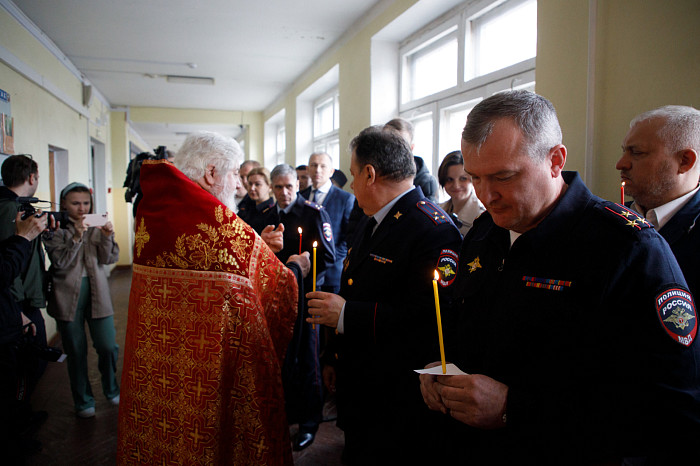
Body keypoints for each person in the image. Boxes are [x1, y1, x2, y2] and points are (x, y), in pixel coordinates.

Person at [419, 90, 700, 464]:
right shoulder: (485, 231)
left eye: (503, 176)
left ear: (555, 160)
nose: (486, 195)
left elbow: (671, 408)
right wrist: (438, 367)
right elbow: (458, 317)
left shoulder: (629, 249)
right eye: (475, 178)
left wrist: (512, 408)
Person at [117, 131, 309, 466]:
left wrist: (257, 245)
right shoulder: (223, 230)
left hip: (161, 370)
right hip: (207, 377)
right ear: (210, 173)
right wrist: (296, 267)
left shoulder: (152, 213)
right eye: (235, 173)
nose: (238, 185)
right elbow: (277, 289)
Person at [307, 126, 462, 464]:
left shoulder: (432, 229)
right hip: (359, 379)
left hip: (395, 392)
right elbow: (354, 283)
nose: (349, 186)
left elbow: (431, 318)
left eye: (351, 175)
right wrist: (335, 356)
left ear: (370, 173)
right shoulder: (369, 218)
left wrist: (347, 316)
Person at [259, 163, 335, 451]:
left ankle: (309, 421)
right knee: (280, 358)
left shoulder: (313, 213)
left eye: (289, 186)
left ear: (298, 185)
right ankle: (286, 414)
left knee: (308, 360)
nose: (284, 192)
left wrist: (306, 267)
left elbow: (328, 257)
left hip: (306, 298)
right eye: (278, 187)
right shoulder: (266, 214)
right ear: (272, 187)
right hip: (274, 298)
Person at [44, 182, 120, 418]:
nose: (81, 208)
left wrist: (107, 235)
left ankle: (111, 388)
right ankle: (83, 400)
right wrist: (76, 237)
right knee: (75, 350)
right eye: (75, 203)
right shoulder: (54, 229)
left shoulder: (96, 226)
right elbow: (60, 263)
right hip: (65, 295)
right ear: (63, 204)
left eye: (86, 203)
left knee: (108, 346)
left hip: (98, 291)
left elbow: (108, 259)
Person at [617, 105, 700, 297]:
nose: (620, 164)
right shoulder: (611, 220)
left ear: (684, 161)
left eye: (636, 153)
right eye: (624, 152)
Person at [0, 154, 50, 424]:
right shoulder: (12, 211)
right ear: (32, 178)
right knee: (28, 366)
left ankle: (21, 417)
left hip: (15, 303)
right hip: (17, 306)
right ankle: (18, 425)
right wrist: (18, 310)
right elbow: (9, 262)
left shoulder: (14, 207)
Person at [0, 210, 51, 462]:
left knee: (17, 384)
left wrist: (16, 314)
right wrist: (22, 238)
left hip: (10, 317)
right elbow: (3, 273)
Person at [300, 152, 355, 293]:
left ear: (331, 171)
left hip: (332, 273)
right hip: (305, 271)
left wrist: (332, 258)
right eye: (313, 165)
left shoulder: (345, 199)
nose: (317, 170)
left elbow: (349, 236)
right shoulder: (301, 197)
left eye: (323, 166)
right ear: (307, 169)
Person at [384, 117, 439, 201]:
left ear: (411, 148)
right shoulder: (372, 175)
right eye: (389, 144)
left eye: (401, 144)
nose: (394, 150)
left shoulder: (426, 182)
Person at [437, 150, 485, 236]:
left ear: (473, 179)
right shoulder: (437, 210)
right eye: (449, 179)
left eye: (463, 179)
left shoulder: (482, 216)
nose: (456, 185)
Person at [240, 166, 275, 232]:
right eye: (250, 184)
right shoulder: (247, 207)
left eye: (257, 184)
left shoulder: (273, 212)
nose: (252, 188)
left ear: (270, 187)